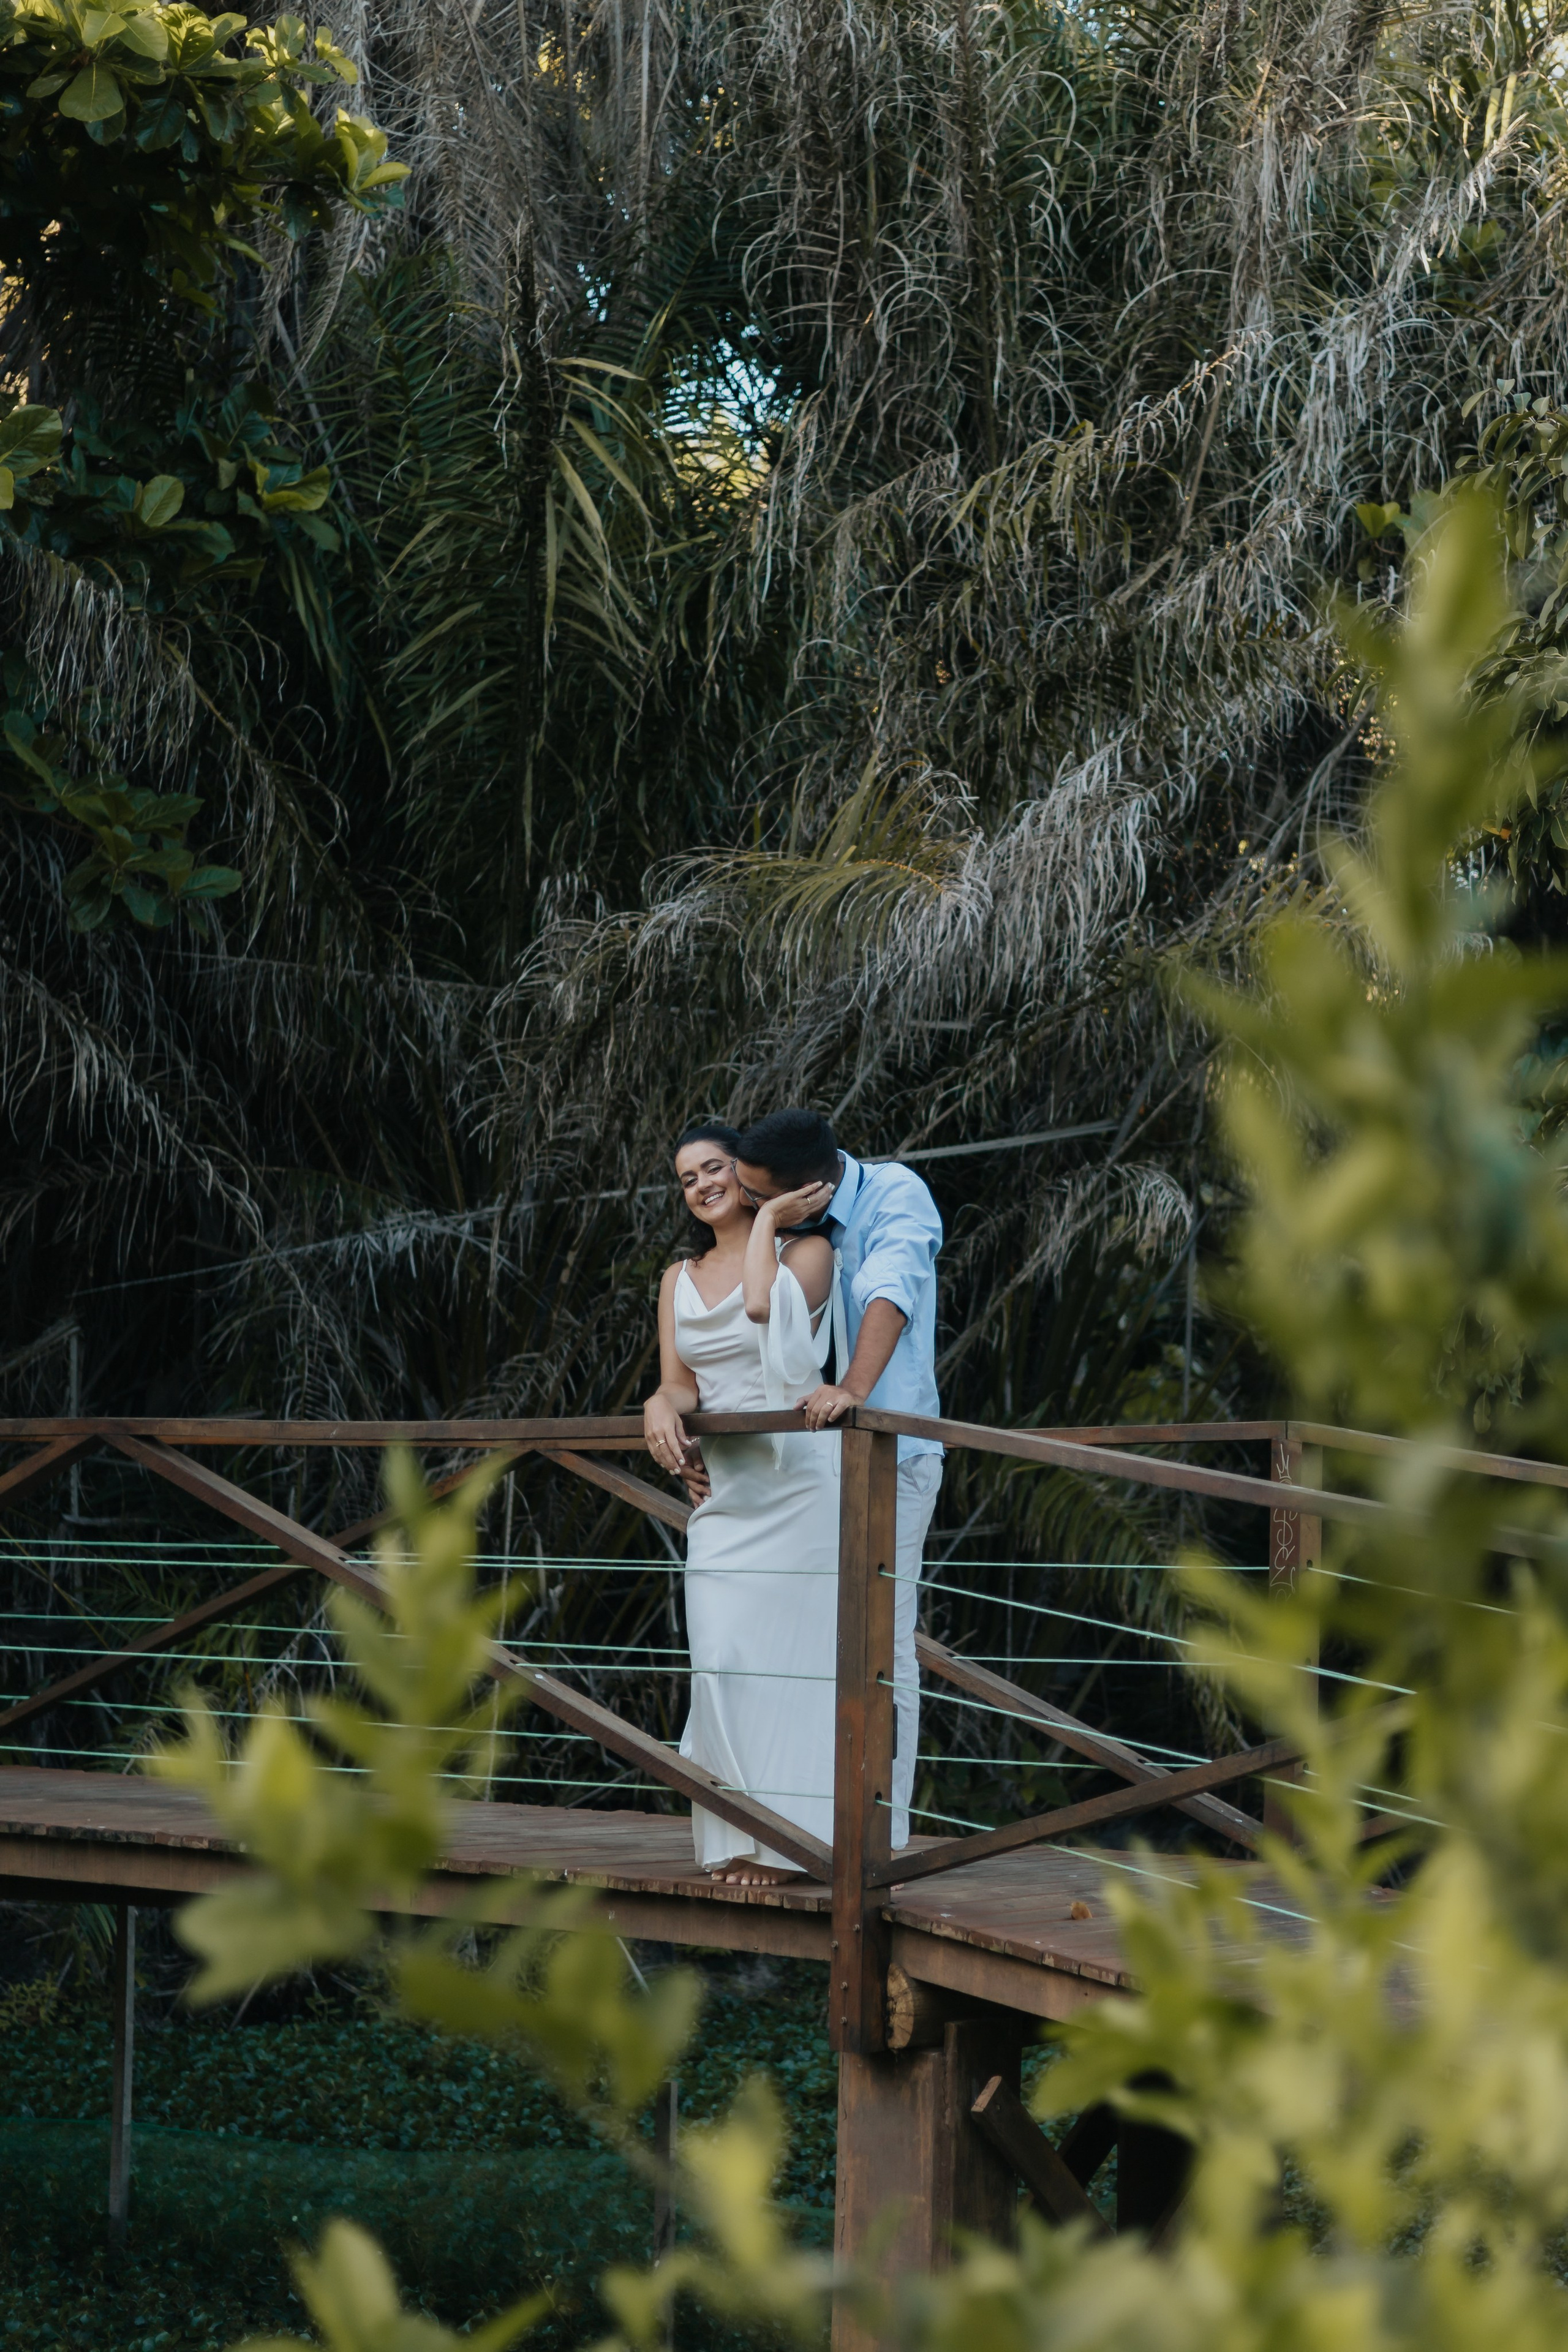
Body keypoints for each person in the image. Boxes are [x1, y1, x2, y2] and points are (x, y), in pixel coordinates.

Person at [731, 1107, 942, 1850]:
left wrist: (852, 1388)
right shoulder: (785, 1231)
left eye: (758, 1197)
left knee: (883, 1644)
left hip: (890, 1460)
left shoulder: (893, 1196)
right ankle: (809, 1821)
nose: (749, 1206)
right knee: (805, 1640)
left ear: (810, 1189)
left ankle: (884, 1836)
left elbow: (890, 1291)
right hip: (800, 1473)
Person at [643, 1119, 846, 1884]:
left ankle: (790, 1846)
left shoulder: (809, 1253)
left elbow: (766, 1314)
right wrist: (655, 1409)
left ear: (752, 1174)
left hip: (796, 1486)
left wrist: (766, 1220)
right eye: (686, 1177)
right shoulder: (677, 1279)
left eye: (713, 1168)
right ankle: (741, 1835)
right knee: (723, 1661)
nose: (700, 1185)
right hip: (725, 1494)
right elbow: (680, 1384)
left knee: (791, 1669)